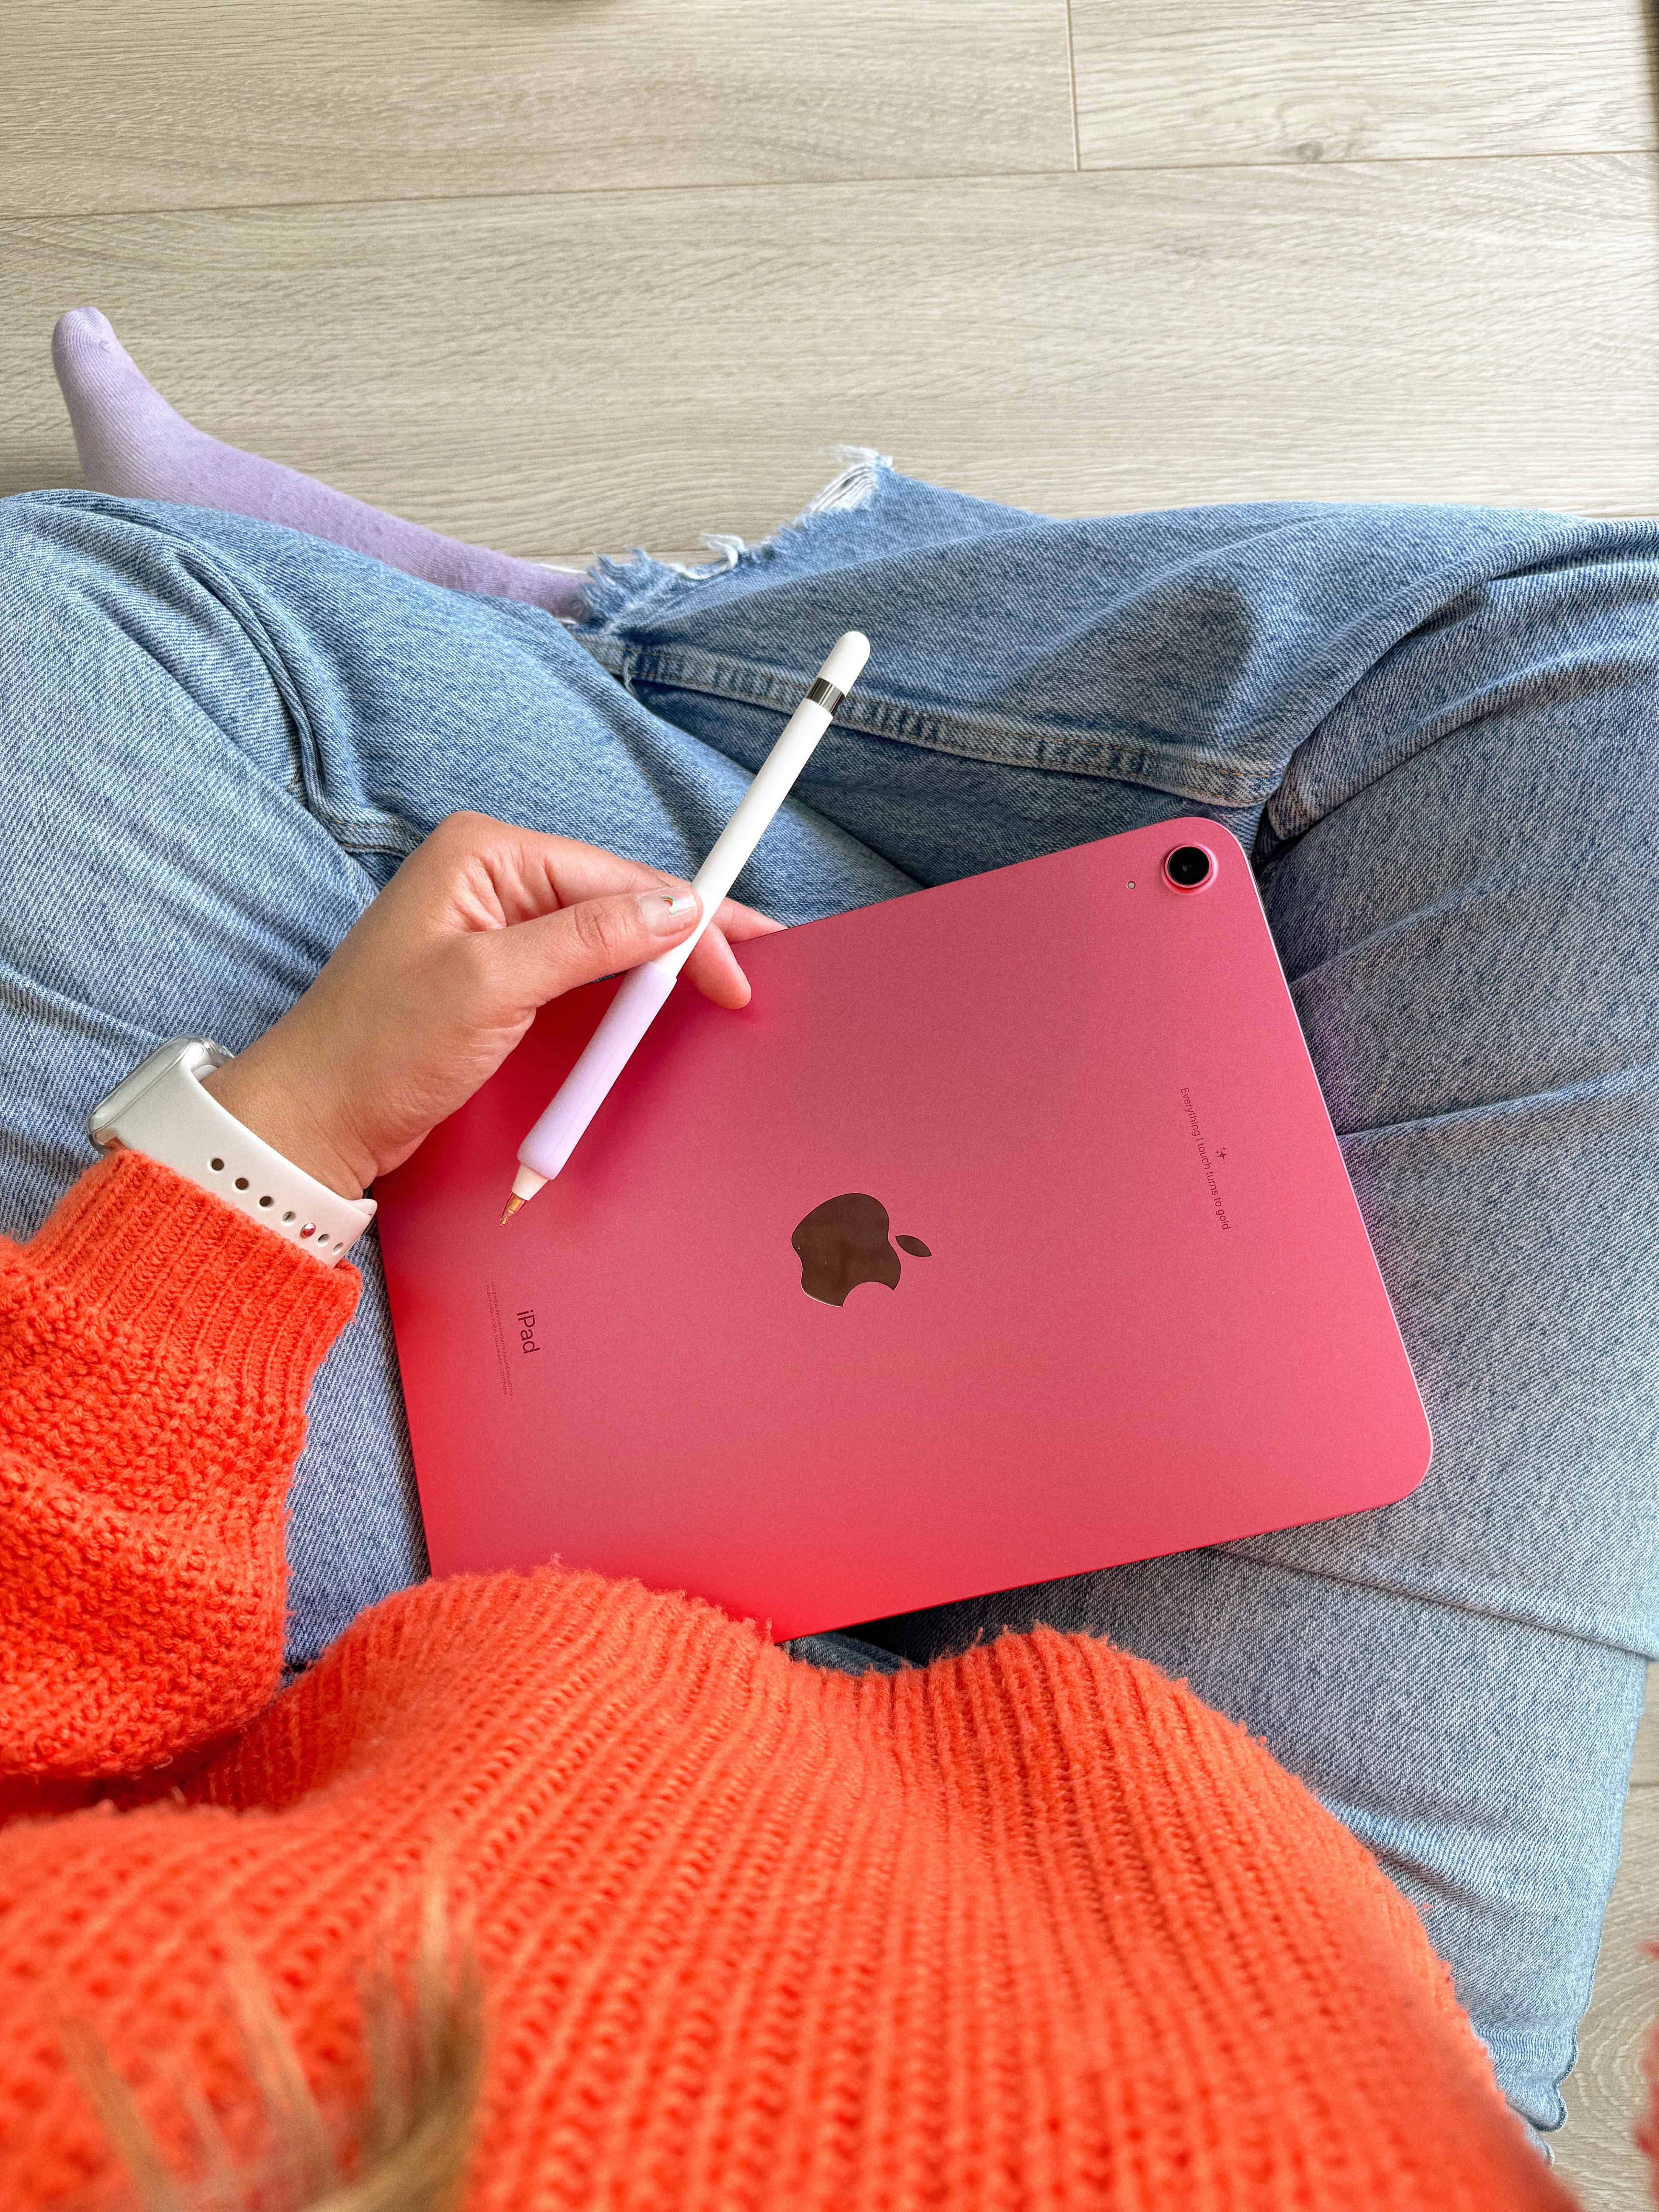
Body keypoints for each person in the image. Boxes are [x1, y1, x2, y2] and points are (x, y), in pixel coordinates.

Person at [1, 309, 1654, 2209]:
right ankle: (631, 704)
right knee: (1618, 712)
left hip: (410, 1706)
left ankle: (611, 659)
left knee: (43, 663)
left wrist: (264, 1165)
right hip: (1284, 1938)